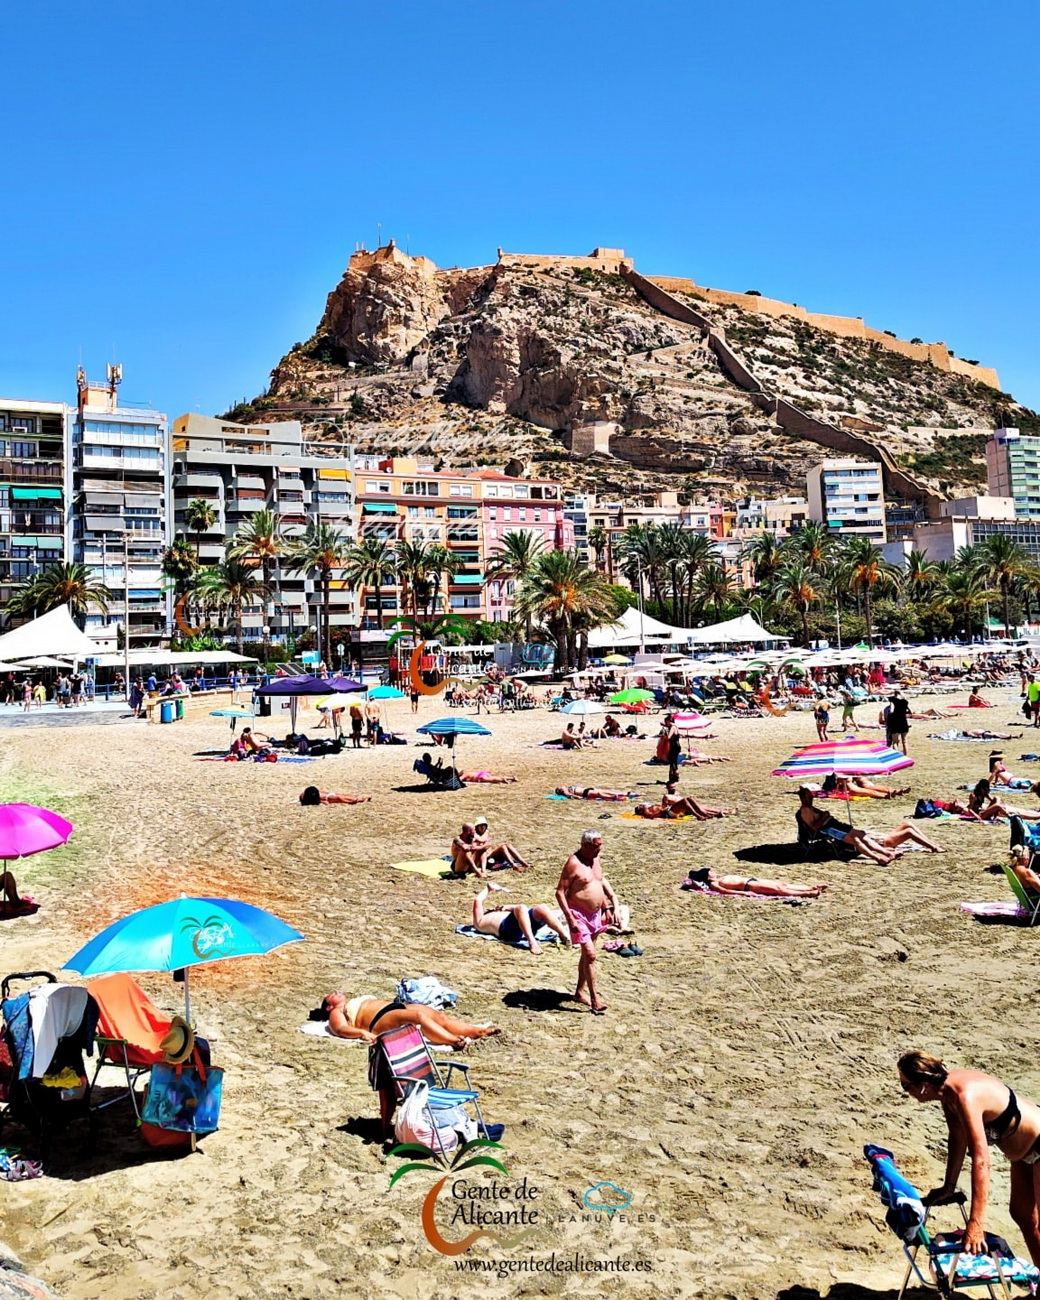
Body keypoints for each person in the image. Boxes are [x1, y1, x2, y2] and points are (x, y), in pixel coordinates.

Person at [896, 1050, 1040, 1263]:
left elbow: (981, 1161)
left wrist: (976, 1223)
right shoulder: (946, 1093)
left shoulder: (964, 1096)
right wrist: (948, 1186)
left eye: (905, 1086)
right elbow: (957, 1138)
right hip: (1023, 1154)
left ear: (923, 1086)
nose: (906, 1092)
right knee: (1023, 1214)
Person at [556, 830, 625, 1015]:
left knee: (587, 957)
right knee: (591, 955)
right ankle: (595, 1000)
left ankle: (579, 992)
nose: (600, 849)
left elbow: (598, 882)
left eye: (601, 845)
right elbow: (560, 893)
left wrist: (608, 906)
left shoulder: (596, 859)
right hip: (577, 914)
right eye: (596, 846)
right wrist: (569, 918)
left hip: (594, 915)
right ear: (585, 845)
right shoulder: (573, 863)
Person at [796, 785, 944, 863]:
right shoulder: (805, 810)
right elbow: (815, 827)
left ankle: (887, 853)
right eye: (809, 796)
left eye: (811, 796)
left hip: (840, 826)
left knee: (865, 835)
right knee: (858, 840)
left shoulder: (810, 808)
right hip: (834, 829)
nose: (812, 798)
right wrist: (825, 816)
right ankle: (880, 857)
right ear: (803, 797)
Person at [317, 992, 499, 1048]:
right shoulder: (336, 1012)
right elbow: (340, 1029)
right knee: (418, 1018)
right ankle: (453, 1041)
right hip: (379, 1020)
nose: (335, 992)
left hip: (393, 1008)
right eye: (330, 996)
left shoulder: (353, 1000)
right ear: (328, 1007)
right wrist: (361, 1033)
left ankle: (479, 1031)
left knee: (439, 1017)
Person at [471, 882, 570, 954]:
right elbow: (477, 901)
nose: (489, 909)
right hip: (507, 931)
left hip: (522, 925)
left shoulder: (502, 912)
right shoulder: (480, 921)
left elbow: (524, 913)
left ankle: (565, 936)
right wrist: (488, 888)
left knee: (542, 908)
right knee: (521, 907)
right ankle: (532, 942)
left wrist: (508, 907)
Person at [685, 867, 827, 898]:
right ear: (708, 876)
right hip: (749, 886)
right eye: (711, 871)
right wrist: (742, 894)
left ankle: (810, 887)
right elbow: (725, 891)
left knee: (782, 884)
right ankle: (808, 893)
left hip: (752, 880)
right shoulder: (714, 884)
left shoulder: (719, 879)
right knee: (779, 890)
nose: (714, 871)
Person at [967, 779, 1035, 821]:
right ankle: (1009, 816)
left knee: (997, 798)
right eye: (984, 789)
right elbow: (969, 809)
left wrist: (999, 805)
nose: (985, 791)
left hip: (982, 812)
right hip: (979, 814)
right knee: (997, 806)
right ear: (980, 788)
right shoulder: (973, 796)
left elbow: (993, 800)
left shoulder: (984, 794)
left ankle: (995, 816)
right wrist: (977, 816)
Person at [826, 774, 911, 801]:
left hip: (851, 784)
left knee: (867, 785)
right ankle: (885, 795)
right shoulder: (836, 769)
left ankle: (896, 791)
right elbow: (837, 785)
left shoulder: (849, 765)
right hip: (848, 788)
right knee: (867, 791)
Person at [662, 714, 682, 784]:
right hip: (676, 745)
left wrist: (665, 734)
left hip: (674, 746)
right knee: (674, 762)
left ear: (668, 721)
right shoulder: (676, 726)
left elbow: (669, 737)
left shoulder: (673, 727)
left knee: (673, 762)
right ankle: (674, 777)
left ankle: (675, 777)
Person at [298, 786, 371, 805]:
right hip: (328, 796)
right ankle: (358, 799)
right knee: (341, 797)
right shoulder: (318, 794)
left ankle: (358, 798)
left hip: (327, 796)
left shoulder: (309, 795)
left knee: (342, 796)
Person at [555, 785, 634, 801]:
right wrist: (578, 797)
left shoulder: (567, 788)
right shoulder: (565, 791)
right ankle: (614, 796)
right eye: (560, 787)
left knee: (604, 791)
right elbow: (570, 795)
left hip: (587, 789)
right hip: (585, 792)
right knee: (600, 794)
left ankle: (622, 793)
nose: (561, 786)